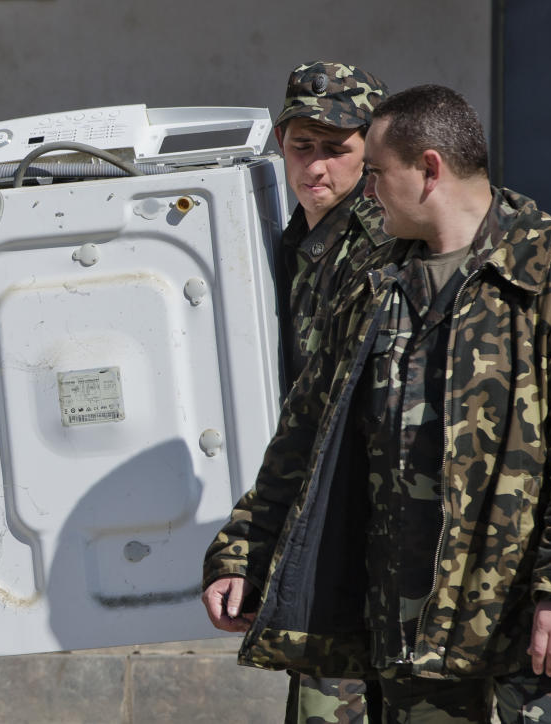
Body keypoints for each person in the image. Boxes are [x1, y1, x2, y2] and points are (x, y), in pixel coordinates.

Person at [202, 83, 551, 721]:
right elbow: (306, 433)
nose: (366, 191)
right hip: (400, 624)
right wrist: (244, 548)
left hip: (520, 627)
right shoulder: (376, 282)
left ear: (429, 170)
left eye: (375, 173)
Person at [203, 61, 390, 723]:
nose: (315, 168)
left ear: (371, 149)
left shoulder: (383, 248)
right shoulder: (296, 240)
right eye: (301, 147)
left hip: (369, 541)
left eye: (336, 150)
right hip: (316, 525)